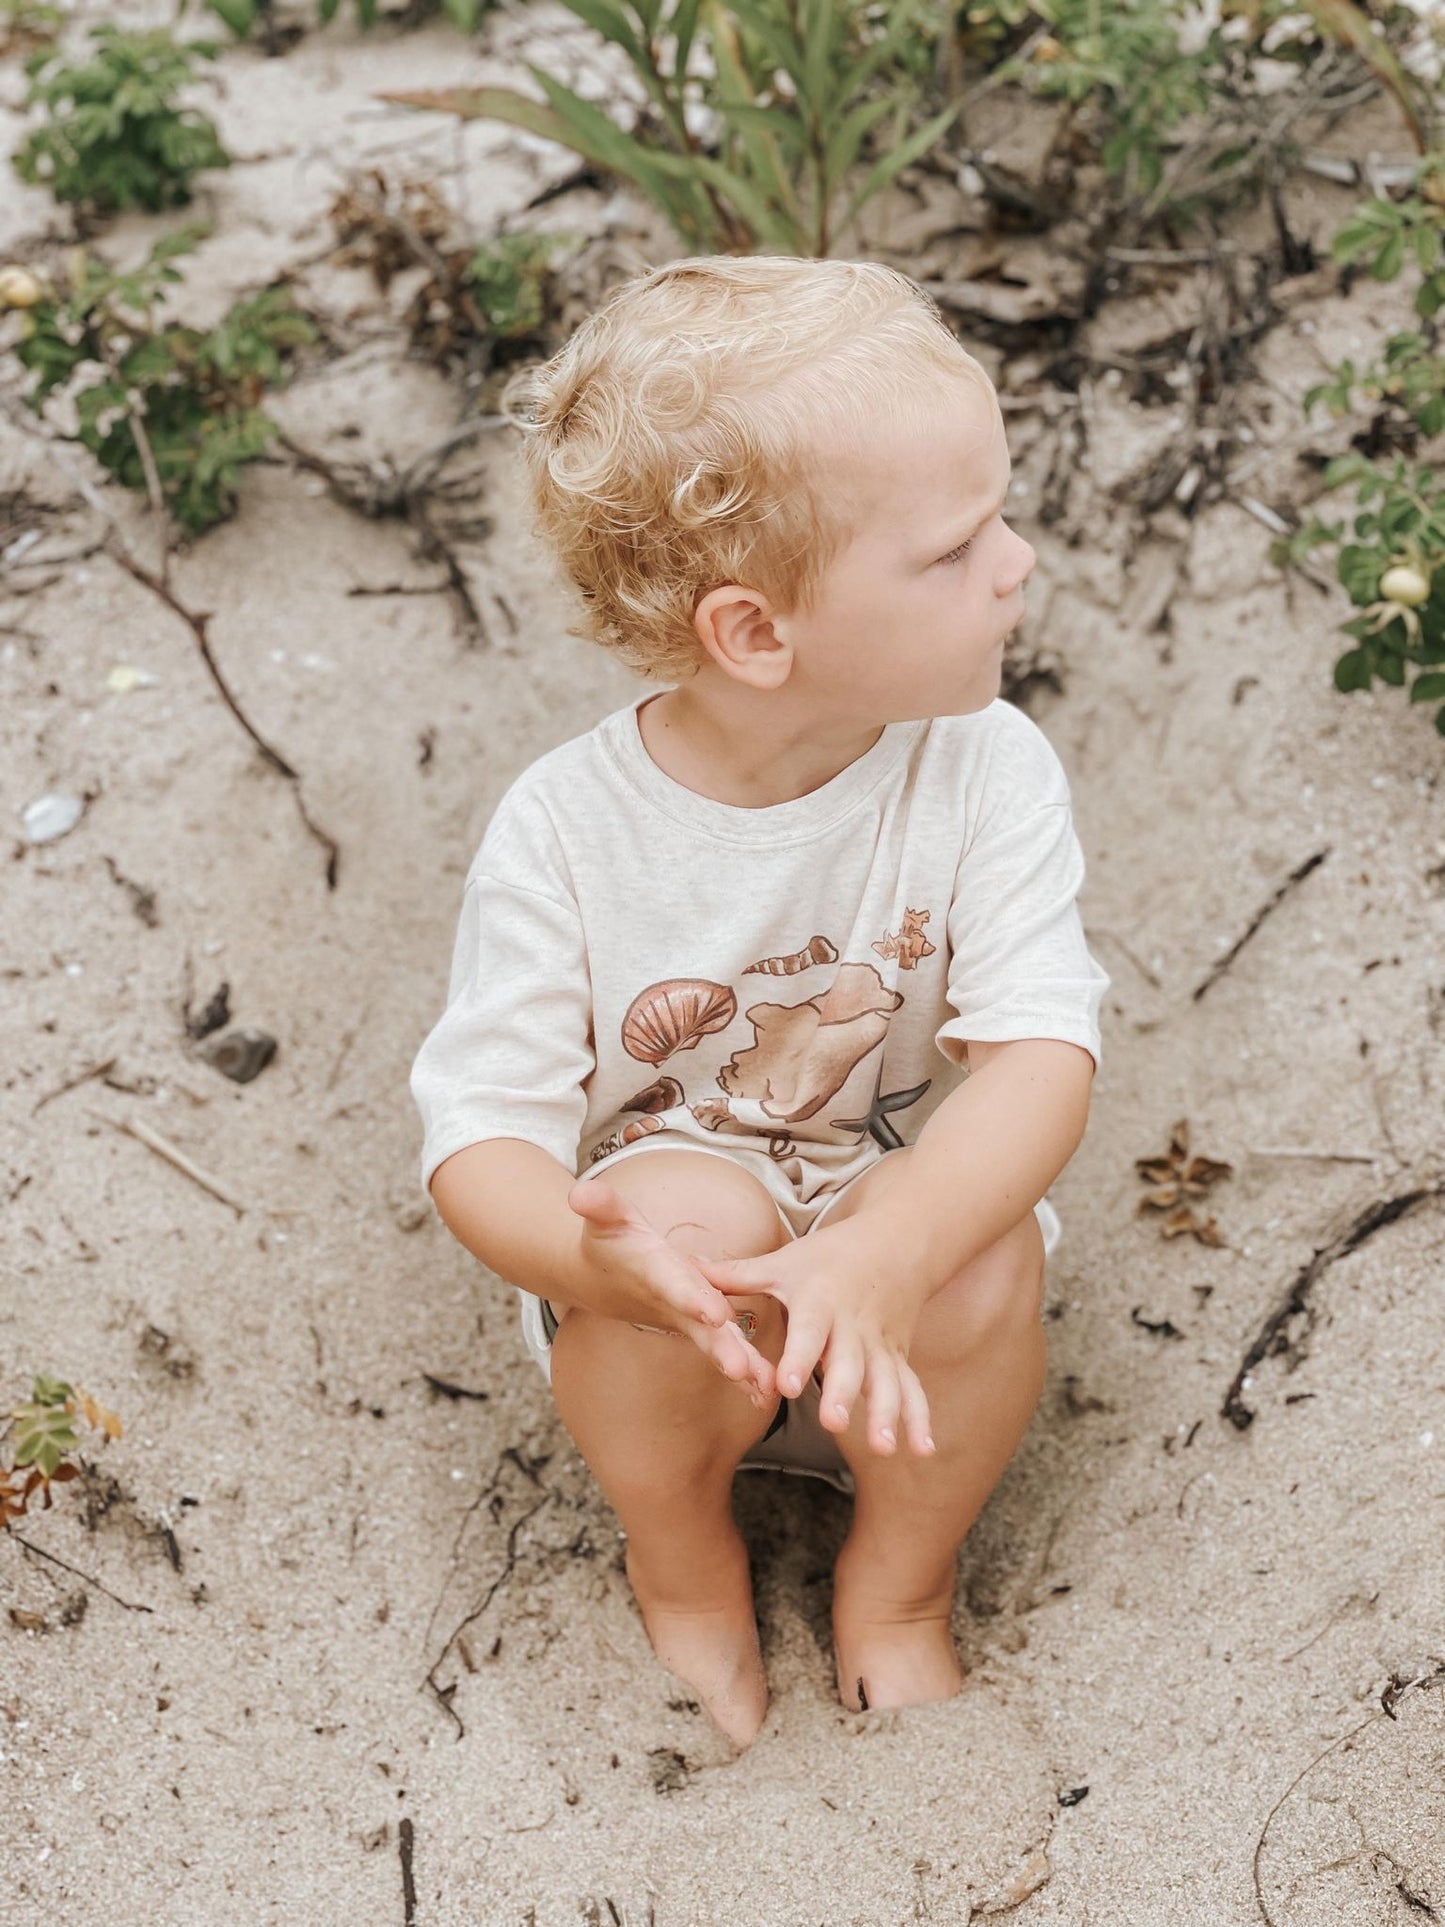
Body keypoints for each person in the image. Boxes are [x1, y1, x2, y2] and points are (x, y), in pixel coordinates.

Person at [410, 255, 1109, 1750]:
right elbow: (479, 1139)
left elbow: (1040, 1055)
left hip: (897, 1256)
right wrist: (596, 1268)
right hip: (679, 1307)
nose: (1017, 561)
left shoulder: (984, 767)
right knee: (684, 1216)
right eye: (955, 546)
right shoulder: (564, 832)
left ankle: (899, 1585)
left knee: (979, 1254)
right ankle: (683, 1561)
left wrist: (897, 1245)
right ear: (753, 633)